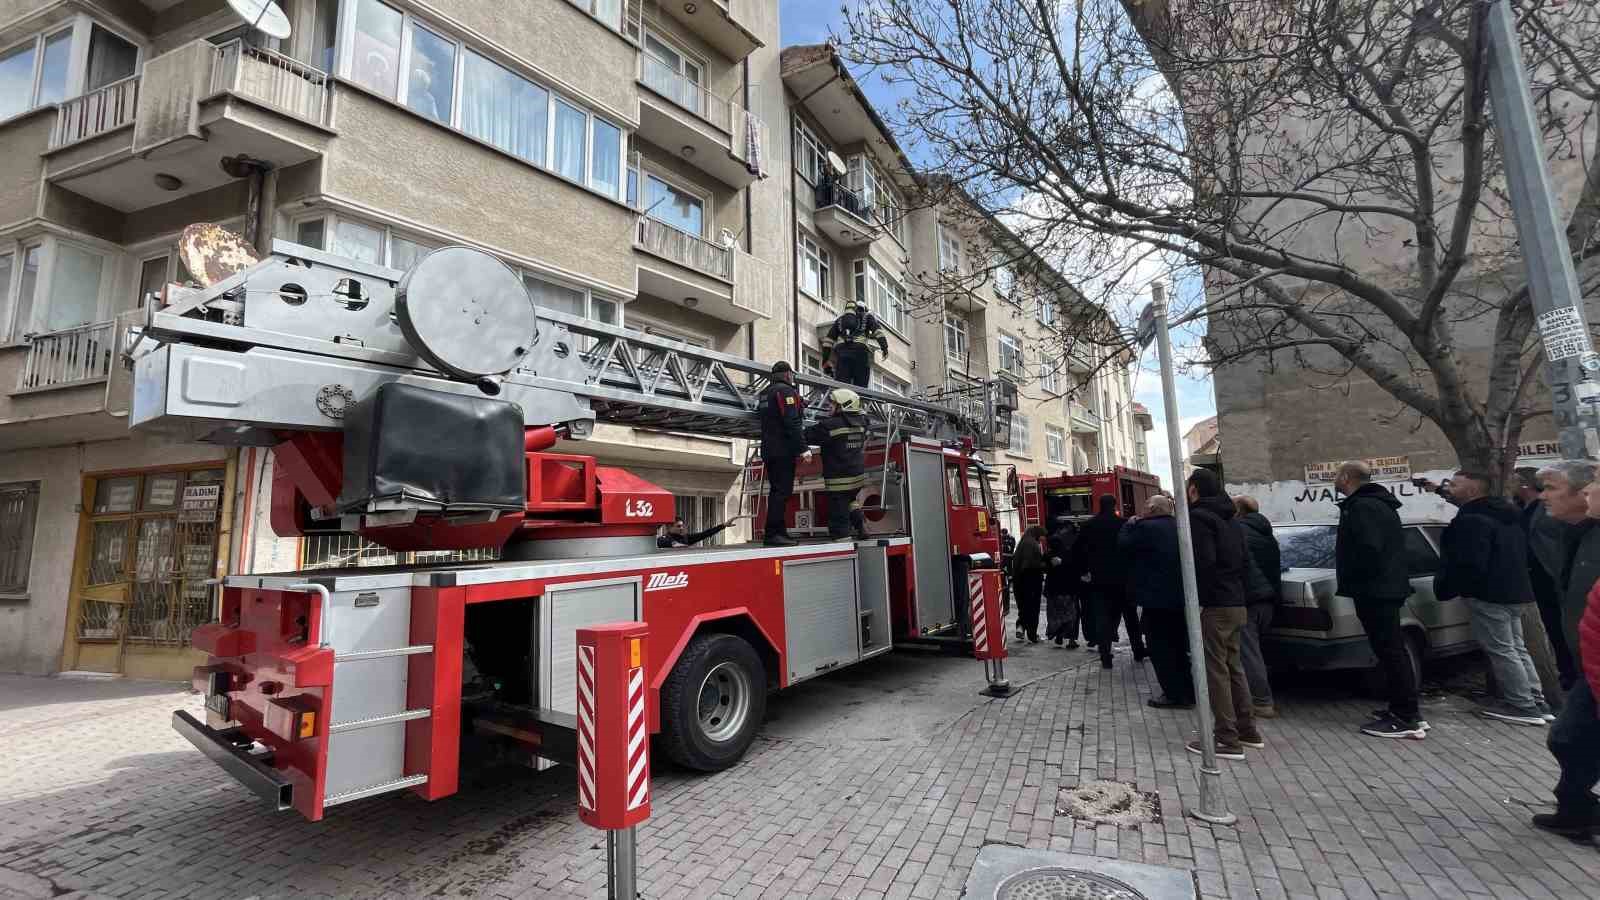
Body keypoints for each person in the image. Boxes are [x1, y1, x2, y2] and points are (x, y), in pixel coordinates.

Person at [1429, 470, 1549, 726]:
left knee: (1503, 649)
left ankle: (1522, 706)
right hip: (1516, 591)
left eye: (1455, 484)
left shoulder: (1472, 520)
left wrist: (1457, 587)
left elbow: (1470, 562)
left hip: (1488, 594)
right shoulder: (1507, 514)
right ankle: (1537, 701)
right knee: (1516, 647)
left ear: (1472, 490)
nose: (1449, 488)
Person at [1533, 461, 1600, 841]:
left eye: (1552, 488)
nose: (1543, 496)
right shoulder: (1574, 533)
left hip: (1594, 666)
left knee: (1569, 736)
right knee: (1570, 737)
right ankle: (1576, 810)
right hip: (1585, 662)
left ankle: (1578, 810)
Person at [1334, 460, 1424, 739]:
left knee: (1391, 651)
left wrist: (1357, 578)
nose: (1334, 479)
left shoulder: (1362, 507)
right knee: (1390, 650)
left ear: (1347, 477)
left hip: (1376, 590)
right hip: (1383, 588)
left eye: (1337, 475)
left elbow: (1368, 549)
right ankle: (1403, 709)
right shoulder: (1376, 504)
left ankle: (1406, 717)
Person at [1185, 469, 1260, 760]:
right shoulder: (1231, 519)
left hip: (1215, 605)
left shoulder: (1200, 518)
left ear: (1194, 490)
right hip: (1236, 601)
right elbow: (1243, 561)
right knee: (1233, 666)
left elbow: (1202, 563)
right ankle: (1248, 730)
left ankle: (1227, 739)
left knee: (1215, 671)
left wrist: (1197, 599)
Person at [1120, 495, 1193, 708]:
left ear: (1152, 508)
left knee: (1161, 648)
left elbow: (1124, 545)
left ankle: (1172, 694)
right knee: (1180, 648)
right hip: (1180, 598)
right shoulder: (1179, 525)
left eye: (1145, 506)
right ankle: (1188, 691)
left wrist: (1129, 524)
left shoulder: (1144, 527)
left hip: (1156, 599)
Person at [1516, 467, 1580, 691]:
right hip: (1541, 581)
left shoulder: (1554, 513)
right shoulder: (1529, 508)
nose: (1545, 494)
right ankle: (1569, 673)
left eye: (1551, 488)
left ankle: (1572, 674)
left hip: (1556, 576)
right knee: (1556, 629)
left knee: (1565, 629)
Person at [1074, 494, 1140, 668]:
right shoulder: (1124, 524)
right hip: (1123, 578)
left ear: (1099, 505)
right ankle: (1138, 649)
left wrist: (1084, 572)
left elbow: (1078, 551)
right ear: (1115, 505)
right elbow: (1133, 549)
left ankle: (1105, 656)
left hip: (1099, 580)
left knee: (1103, 618)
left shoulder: (1088, 525)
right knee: (1130, 616)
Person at [1234, 496, 1280, 719]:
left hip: (1249, 599)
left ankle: (1262, 702)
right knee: (1257, 652)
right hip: (1268, 598)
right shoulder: (1265, 531)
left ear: (1238, 511)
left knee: (1249, 654)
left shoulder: (1239, 532)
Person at [803, 388, 869, 541]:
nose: (829, 407)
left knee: (839, 520)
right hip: (856, 479)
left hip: (838, 481)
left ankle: (843, 543)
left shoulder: (830, 425)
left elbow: (807, 435)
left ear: (843, 406)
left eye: (833, 404)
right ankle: (861, 526)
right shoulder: (862, 423)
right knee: (851, 500)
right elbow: (866, 419)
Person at [759, 361, 812, 547]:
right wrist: (803, 448)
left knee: (777, 491)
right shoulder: (786, 391)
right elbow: (791, 421)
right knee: (781, 492)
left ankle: (779, 533)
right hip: (782, 449)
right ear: (788, 374)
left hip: (769, 449)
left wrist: (799, 403)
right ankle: (773, 534)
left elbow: (774, 414)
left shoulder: (765, 392)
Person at [822, 302, 889, 388]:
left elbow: (827, 342)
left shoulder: (839, 320)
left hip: (842, 355)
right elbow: (878, 332)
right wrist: (884, 347)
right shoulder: (867, 317)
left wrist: (825, 362)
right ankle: (861, 399)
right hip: (860, 354)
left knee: (842, 387)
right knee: (861, 387)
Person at [1044, 518, 1081, 647]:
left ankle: (1058, 635)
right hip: (1067, 589)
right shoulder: (1068, 553)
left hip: (1053, 590)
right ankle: (1071, 640)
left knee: (1056, 614)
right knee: (1071, 614)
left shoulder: (1048, 555)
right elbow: (1074, 568)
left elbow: (1044, 569)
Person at [1011, 526, 1048, 643]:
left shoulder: (1022, 542)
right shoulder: (1032, 544)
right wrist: (1045, 565)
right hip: (1031, 582)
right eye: (1042, 536)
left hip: (1018, 582)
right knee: (1033, 609)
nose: (1043, 539)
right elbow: (1030, 565)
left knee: (1023, 608)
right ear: (1038, 534)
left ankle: (1020, 628)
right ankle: (1032, 635)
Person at [658, 516, 736, 549]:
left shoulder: (686, 537)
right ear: (669, 527)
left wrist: (723, 525)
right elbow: (675, 544)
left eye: (682, 526)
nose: (681, 528)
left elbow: (704, 534)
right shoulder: (663, 539)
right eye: (678, 526)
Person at [1000, 527, 1017, 616]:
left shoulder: (1010, 538)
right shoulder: (1007, 538)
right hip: (1007, 558)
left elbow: (1010, 548)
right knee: (1007, 574)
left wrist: (1004, 547)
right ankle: (1009, 586)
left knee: (1010, 574)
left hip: (1008, 558)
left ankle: (1010, 587)